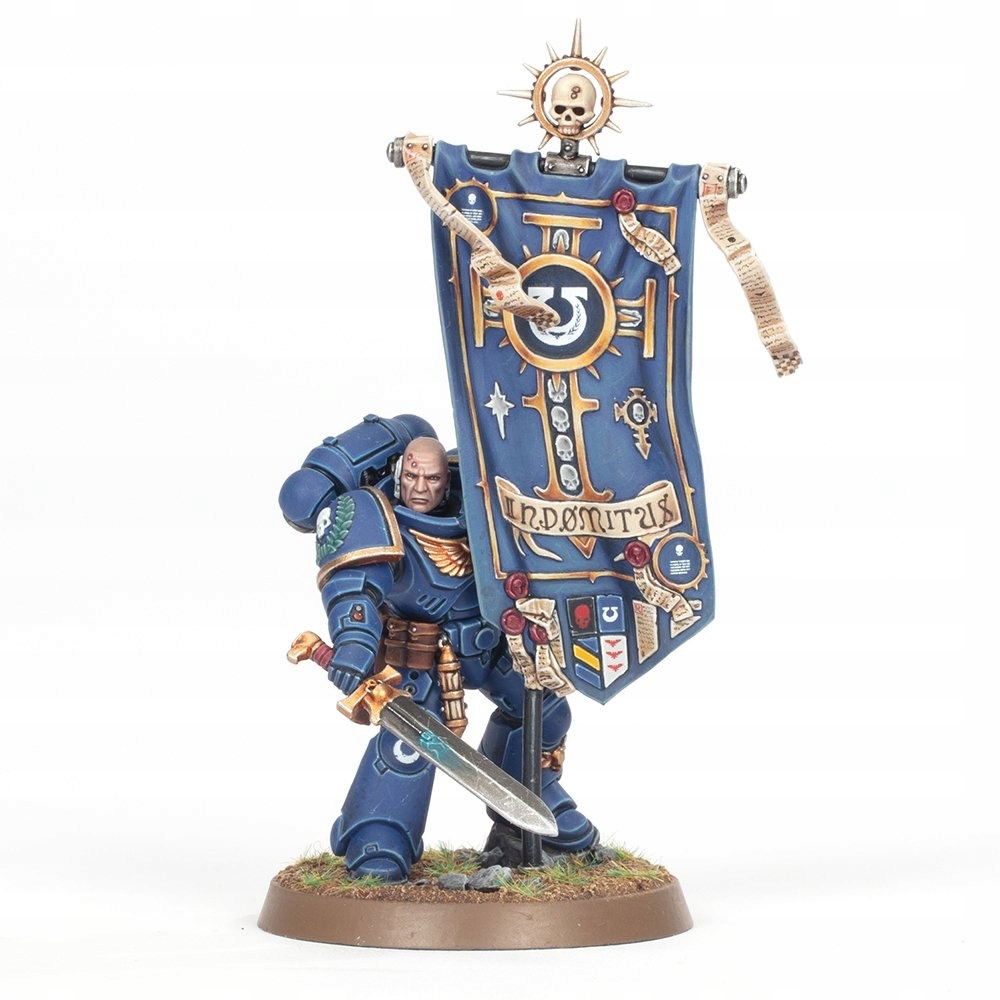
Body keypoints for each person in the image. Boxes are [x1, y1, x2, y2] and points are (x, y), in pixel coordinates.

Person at [280, 424, 597, 882]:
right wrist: (354, 643)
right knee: (410, 743)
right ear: (397, 472)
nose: (419, 487)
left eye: (431, 478)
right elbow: (355, 590)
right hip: (422, 657)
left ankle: (528, 806)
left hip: (492, 645)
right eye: (411, 476)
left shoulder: (481, 502)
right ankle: (379, 837)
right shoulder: (378, 517)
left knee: (547, 714)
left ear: (447, 480)